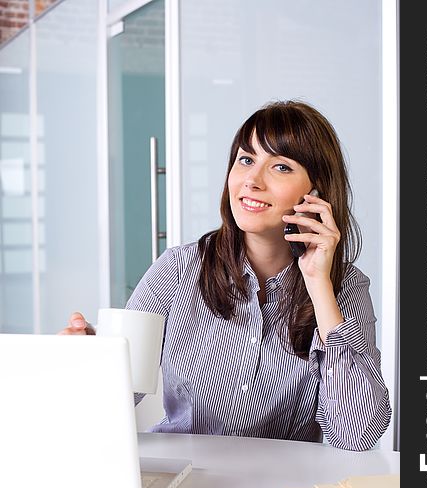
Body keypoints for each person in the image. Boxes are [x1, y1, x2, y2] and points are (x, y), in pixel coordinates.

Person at [61, 99, 391, 451]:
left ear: (316, 193)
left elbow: (357, 435)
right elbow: (112, 400)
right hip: (181, 477)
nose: (252, 180)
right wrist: (89, 362)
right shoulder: (179, 269)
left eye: (280, 167)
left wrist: (318, 286)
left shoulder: (344, 287)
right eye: (246, 160)